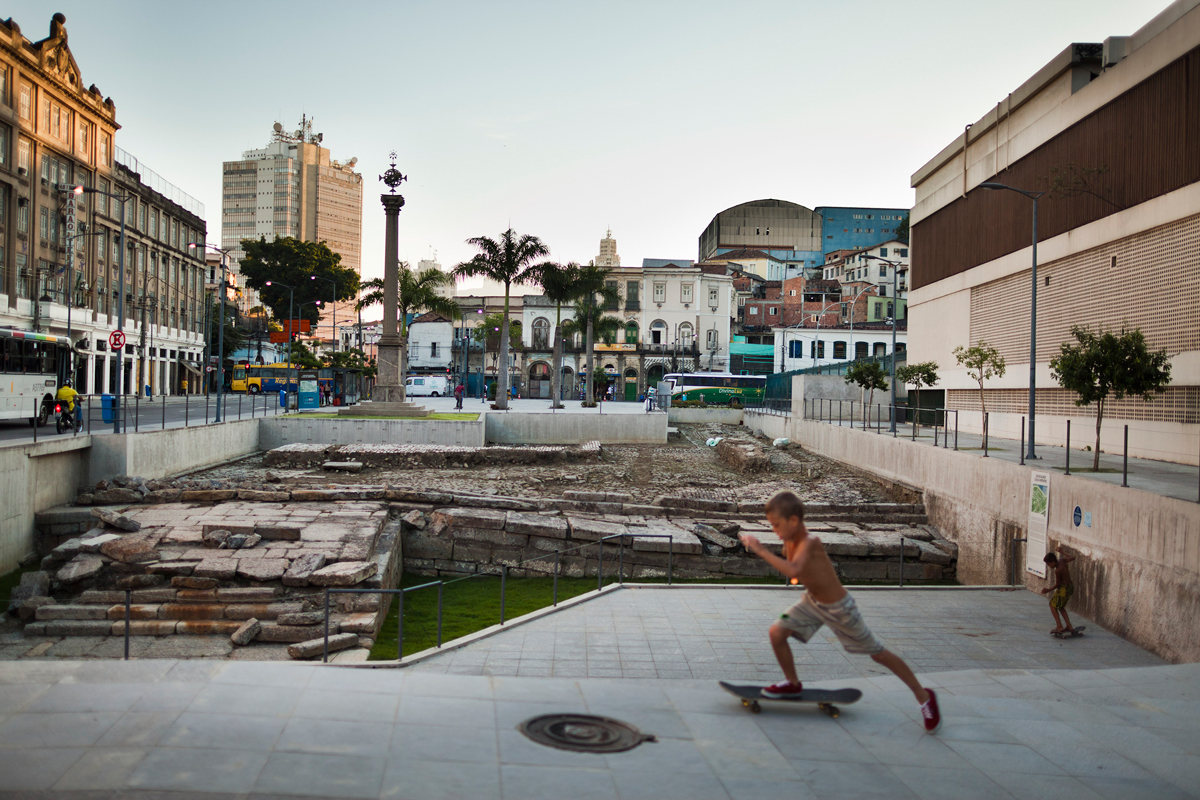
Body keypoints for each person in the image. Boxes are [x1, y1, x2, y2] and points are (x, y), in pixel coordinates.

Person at [740, 490, 941, 733]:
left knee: (878, 654)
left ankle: (924, 696)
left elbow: (794, 570)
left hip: (840, 609)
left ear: (793, 521)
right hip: (812, 603)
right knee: (776, 632)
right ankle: (792, 684)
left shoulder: (810, 543)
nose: (774, 530)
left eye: (776, 525)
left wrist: (761, 550)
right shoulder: (790, 541)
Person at [1041, 545, 1076, 634]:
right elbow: (1073, 557)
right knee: (1060, 606)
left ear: (1052, 562)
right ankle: (1069, 626)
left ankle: (1059, 626)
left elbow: (1057, 584)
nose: (1049, 566)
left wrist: (1048, 590)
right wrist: (1063, 552)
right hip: (1070, 587)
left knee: (1052, 605)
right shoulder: (1062, 561)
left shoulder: (1058, 571)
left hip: (1064, 589)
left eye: (1049, 564)